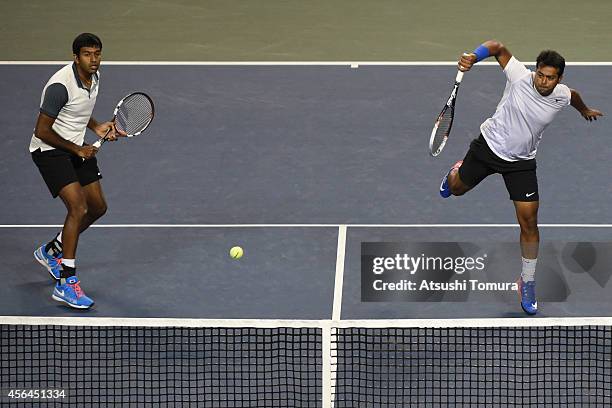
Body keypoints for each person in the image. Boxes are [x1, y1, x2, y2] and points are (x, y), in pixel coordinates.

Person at [439, 40, 603, 315]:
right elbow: (497, 47)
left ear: (558, 79)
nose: (543, 81)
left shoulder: (561, 94)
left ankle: (526, 281)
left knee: (529, 223)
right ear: (535, 70)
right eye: (540, 74)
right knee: (456, 189)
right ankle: (455, 171)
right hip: (488, 148)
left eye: (550, 77)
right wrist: (474, 57)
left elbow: (573, 96)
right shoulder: (519, 76)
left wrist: (584, 110)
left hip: (522, 163)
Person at [30, 33, 122, 309]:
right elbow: (41, 130)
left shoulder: (94, 77)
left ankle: (52, 251)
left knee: (98, 207)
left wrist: (96, 127)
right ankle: (66, 283)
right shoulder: (61, 85)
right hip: (49, 150)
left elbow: (78, 111)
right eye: (87, 54)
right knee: (78, 208)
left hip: (74, 146)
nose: (93, 59)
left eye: (97, 53)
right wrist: (77, 149)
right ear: (75, 57)